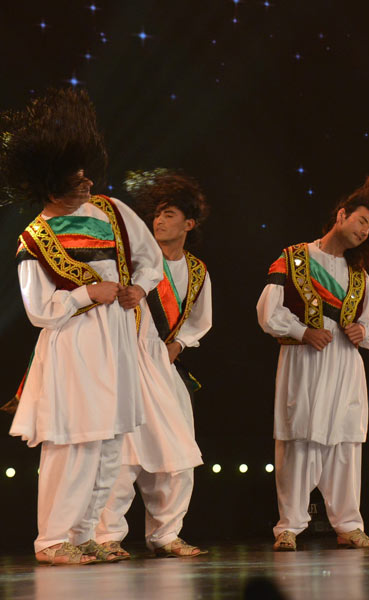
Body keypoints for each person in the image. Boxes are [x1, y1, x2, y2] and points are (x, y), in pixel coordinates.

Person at [1, 88, 164, 565]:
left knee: (110, 440)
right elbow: (39, 310)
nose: (88, 182)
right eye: (76, 179)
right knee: (74, 441)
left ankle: (87, 533)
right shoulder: (36, 239)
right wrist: (84, 293)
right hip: (73, 348)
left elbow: (149, 261)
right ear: (52, 187)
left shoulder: (113, 212)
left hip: (116, 342)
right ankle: (53, 540)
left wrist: (140, 289)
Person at [257, 170, 369, 551]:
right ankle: (289, 527)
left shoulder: (359, 277)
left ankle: (349, 525)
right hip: (304, 364)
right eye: (362, 221)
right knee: (297, 442)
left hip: (344, 369)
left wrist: (362, 333)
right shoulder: (294, 258)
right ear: (342, 215)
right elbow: (267, 310)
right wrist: (302, 332)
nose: (365, 231)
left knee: (344, 445)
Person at [95, 170, 212, 558]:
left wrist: (180, 343)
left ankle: (167, 533)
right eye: (157, 214)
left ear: (188, 224)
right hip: (127, 361)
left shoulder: (196, 271)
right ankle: (106, 536)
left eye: (169, 214)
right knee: (123, 453)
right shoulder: (134, 262)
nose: (159, 221)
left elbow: (199, 321)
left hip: (163, 364)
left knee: (178, 453)